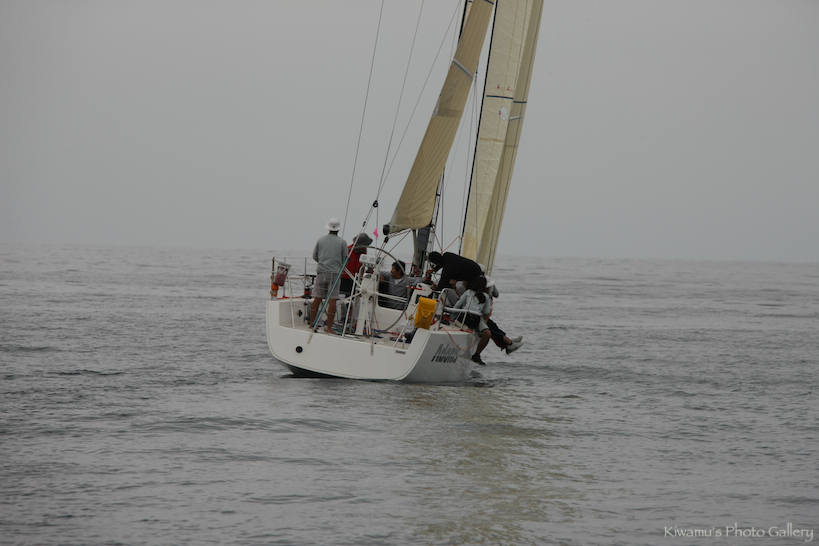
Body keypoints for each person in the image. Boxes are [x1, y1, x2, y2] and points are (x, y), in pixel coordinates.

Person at [311, 217, 347, 333]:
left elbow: (315, 256)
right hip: (334, 274)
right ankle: (329, 327)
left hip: (321, 272)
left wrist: (323, 263)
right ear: (338, 229)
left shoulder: (321, 240)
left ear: (328, 228)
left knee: (317, 298)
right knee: (332, 299)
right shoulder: (342, 242)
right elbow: (345, 259)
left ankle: (312, 324)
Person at [451, 276, 493, 365]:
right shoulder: (487, 296)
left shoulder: (468, 292)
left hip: (464, 317)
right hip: (476, 319)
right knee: (487, 334)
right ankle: (476, 355)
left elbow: (457, 305)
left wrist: (452, 316)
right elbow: (486, 312)